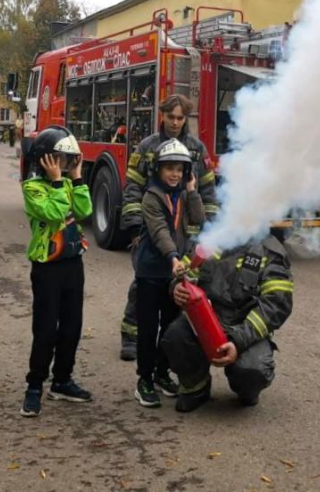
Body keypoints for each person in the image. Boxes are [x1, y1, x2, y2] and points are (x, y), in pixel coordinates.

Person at [117, 94, 219, 360]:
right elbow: (132, 189)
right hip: (152, 229)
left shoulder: (197, 150)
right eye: (170, 116)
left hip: (186, 232)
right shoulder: (147, 147)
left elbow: (208, 190)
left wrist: (209, 228)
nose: (175, 122)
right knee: (143, 283)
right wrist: (135, 229)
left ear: (186, 119)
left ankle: (172, 341)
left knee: (180, 287)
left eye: (180, 118)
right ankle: (130, 334)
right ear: (161, 115)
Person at [162, 234, 293, 413]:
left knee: (253, 371)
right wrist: (177, 287)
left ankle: (246, 389)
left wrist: (238, 341)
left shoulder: (270, 251)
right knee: (174, 337)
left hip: (245, 328)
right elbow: (183, 273)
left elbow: (276, 305)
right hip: (205, 321)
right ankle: (196, 388)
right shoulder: (212, 237)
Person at [20, 126, 93, 418]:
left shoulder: (65, 182)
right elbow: (54, 213)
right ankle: (35, 386)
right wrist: (59, 182)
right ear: (45, 159)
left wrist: (76, 179)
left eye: (67, 159)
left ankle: (62, 380)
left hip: (72, 262)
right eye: (59, 159)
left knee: (72, 326)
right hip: (47, 266)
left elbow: (84, 210)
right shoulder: (32, 187)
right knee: (46, 329)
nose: (63, 164)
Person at [133, 139, 205, 408]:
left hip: (174, 274)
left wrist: (192, 191)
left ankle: (161, 372)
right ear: (158, 170)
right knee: (148, 328)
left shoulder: (184, 194)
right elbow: (160, 231)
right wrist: (174, 257)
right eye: (169, 169)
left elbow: (198, 219)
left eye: (180, 169)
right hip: (151, 272)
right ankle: (144, 381)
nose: (174, 174)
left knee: (171, 326)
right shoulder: (151, 197)